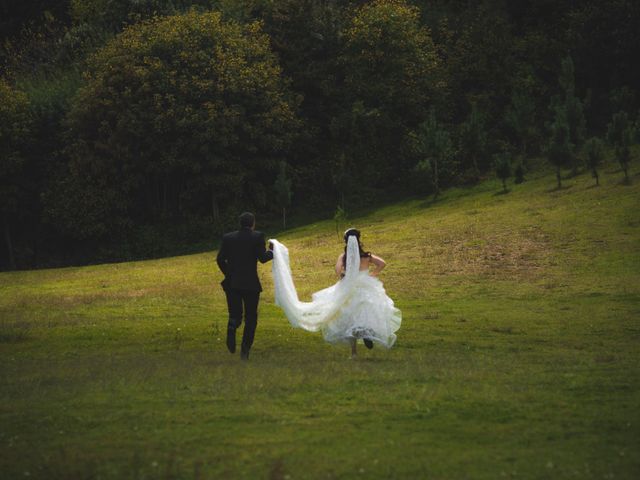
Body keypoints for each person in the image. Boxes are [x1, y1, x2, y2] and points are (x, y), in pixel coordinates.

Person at [270, 228, 401, 358]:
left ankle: (354, 352)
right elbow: (382, 263)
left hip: (350, 286)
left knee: (349, 317)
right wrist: (372, 274)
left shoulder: (344, 256)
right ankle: (366, 333)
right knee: (367, 311)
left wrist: (346, 275)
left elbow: (338, 270)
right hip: (366, 284)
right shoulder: (367, 256)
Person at [216, 212, 273, 360]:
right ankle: (245, 350)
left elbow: (220, 259)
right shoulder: (257, 236)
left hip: (232, 283)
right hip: (250, 284)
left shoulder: (228, 238)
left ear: (240, 223)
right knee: (251, 318)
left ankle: (231, 328)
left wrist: (229, 274)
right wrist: (272, 251)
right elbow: (262, 258)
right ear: (253, 223)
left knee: (235, 314)